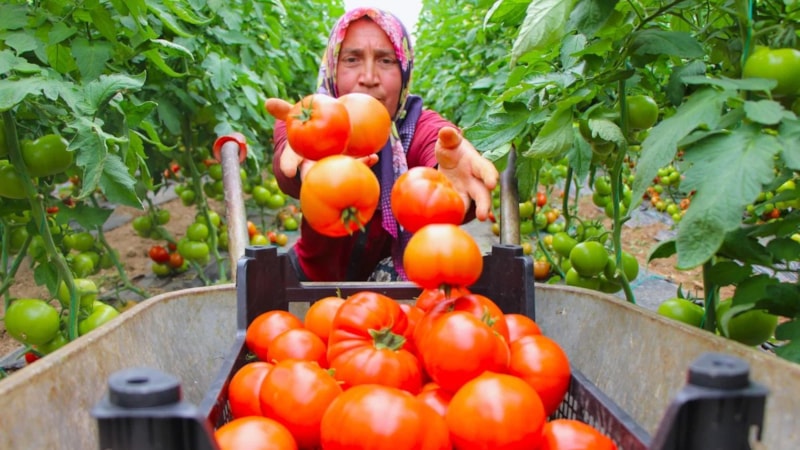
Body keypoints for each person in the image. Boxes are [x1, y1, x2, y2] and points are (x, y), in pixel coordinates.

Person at [265, 7, 498, 282]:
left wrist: (449, 180)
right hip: (312, 283)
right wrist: (309, 153)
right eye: (352, 59)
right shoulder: (307, 121)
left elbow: (441, 143)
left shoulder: (416, 124)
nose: (369, 77)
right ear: (333, 69)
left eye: (386, 61)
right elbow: (288, 166)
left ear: (404, 72)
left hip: (397, 296)